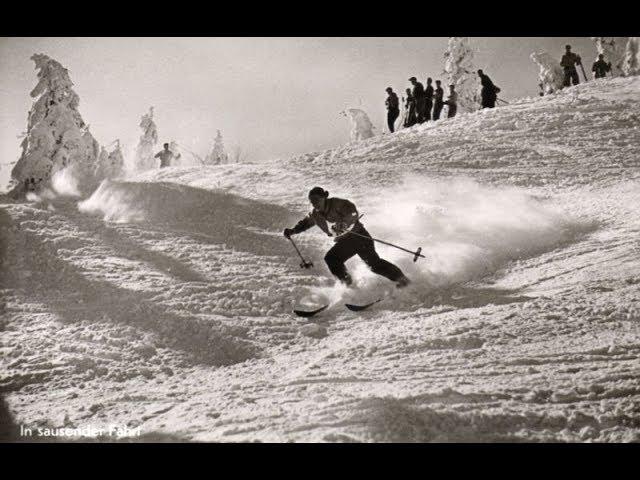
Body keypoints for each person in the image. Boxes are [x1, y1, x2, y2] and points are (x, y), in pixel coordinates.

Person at [283, 187, 410, 288]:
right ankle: (348, 285)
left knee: (374, 265)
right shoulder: (316, 214)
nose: (315, 204)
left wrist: (345, 223)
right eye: (312, 201)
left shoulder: (338, 203)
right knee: (332, 258)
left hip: (359, 236)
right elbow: (306, 223)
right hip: (346, 241)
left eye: (317, 199)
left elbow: (353, 213)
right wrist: (293, 230)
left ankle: (402, 280)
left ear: (324, 197)